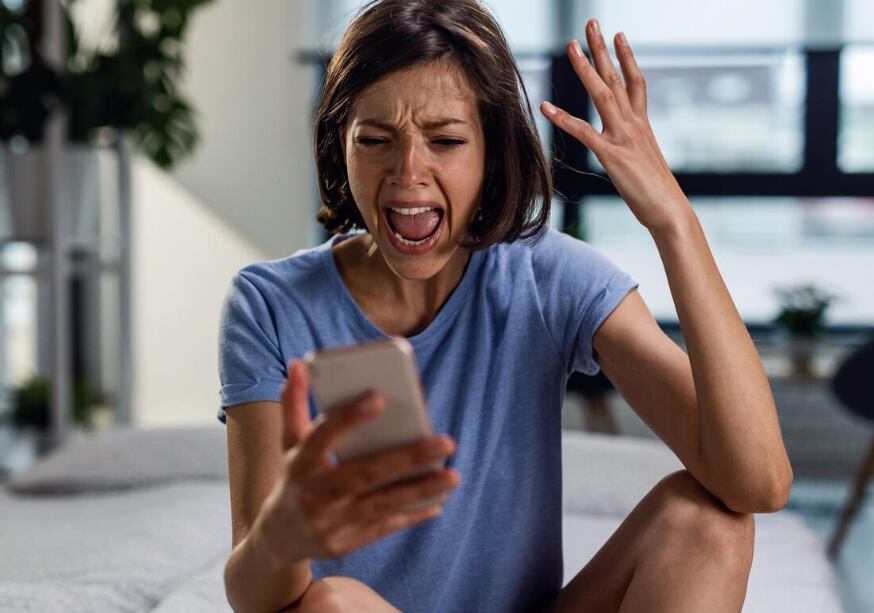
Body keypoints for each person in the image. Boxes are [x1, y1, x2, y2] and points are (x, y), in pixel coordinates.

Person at [219, 1, 794, 611]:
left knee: (710, 519)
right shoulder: (270, 305)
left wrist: (673, 221)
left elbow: (757, 482)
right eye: (376, 140)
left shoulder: (549, 277)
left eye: (445, 140)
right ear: (341, 146)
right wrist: (283, 537)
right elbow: (255, 598)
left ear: (492, 149)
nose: (408, 171)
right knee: (332, 603)